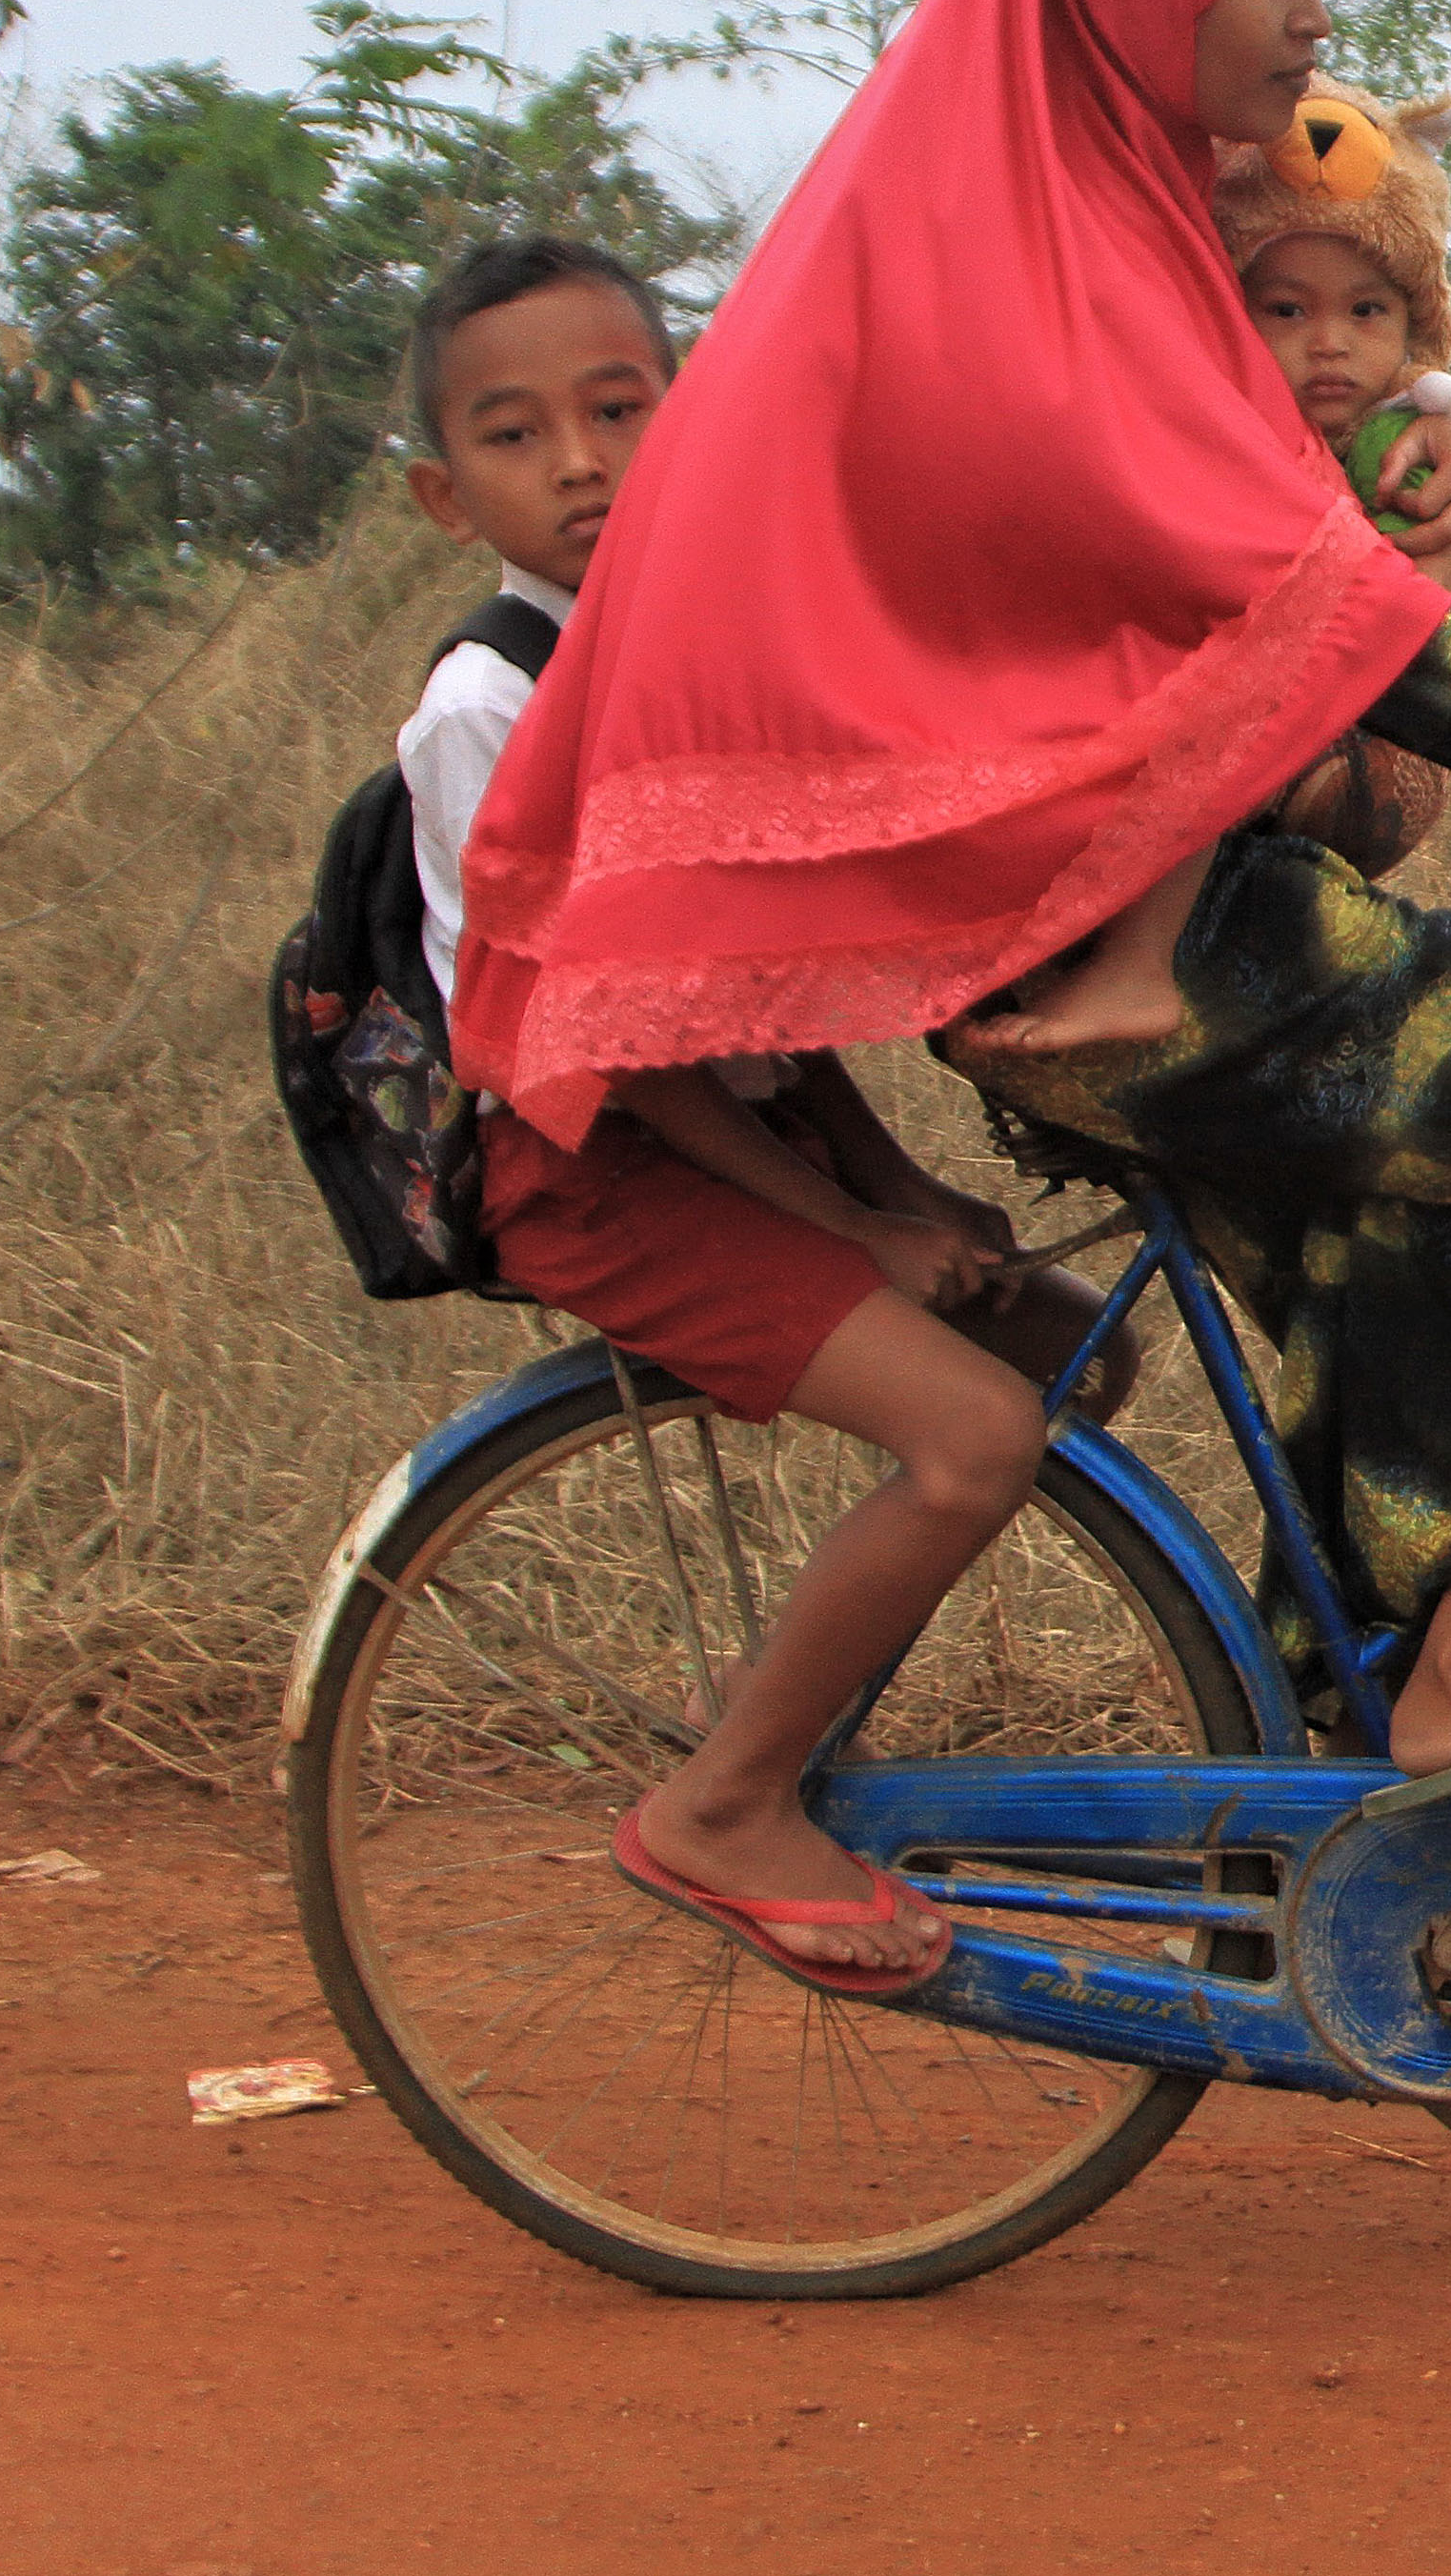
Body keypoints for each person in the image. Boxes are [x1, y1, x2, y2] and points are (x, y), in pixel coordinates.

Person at [443, 0, 1451, 1996]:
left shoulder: (1061, 209)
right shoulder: (1060, 266)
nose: (1317, 12)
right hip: (1163, 968)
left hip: (1083, 961)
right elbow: (1343, 615)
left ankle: (1370, 1763)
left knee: (1435, 1259)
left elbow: (1327, 646)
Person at [394, 232, 1134, 1999]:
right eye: (513, 435)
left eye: (619, 408)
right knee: (974, 1441)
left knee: (1066, 1353)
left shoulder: (693, 641)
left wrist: (902, 1186)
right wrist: (850, 1227)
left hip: (740, 1132)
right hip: (597, 1168)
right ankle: (724, 1805)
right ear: (442, 492)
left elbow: (766, 990)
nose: (578, 460)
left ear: (689, 412)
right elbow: (621, 1043)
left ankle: (786, 1718)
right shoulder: (486, 707)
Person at [964, 73, 1451, 1047]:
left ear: (1414, 325)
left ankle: (1142, 963)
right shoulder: (1219, 434)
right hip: (1271, 765)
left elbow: (1415, 642)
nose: (1328, 344)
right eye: (1284, 311)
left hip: (1368, 743)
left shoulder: (1407, 446)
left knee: (1215, 663)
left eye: (1366, 311)